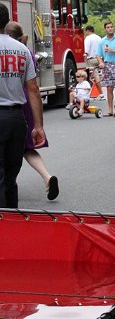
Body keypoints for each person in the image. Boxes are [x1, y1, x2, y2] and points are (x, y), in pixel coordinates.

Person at [5, 21, 59, 200]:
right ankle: (47, 177)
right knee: (25, 146)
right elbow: (33, 86)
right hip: (27, 102)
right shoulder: (26, 51)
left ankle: (7, 186)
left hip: (11, 101)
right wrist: (39, 125)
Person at [0, 4, 46, 208]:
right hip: (17, 119)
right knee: (11, 177)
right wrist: (38, 126)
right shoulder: (22, 50)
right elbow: (33, 89)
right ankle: (12, 218)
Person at [96, 20, 115, 116]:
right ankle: (110, 109)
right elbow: (98, 54)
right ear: (105, 29)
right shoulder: (102, 41)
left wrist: (113, 50)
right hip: (107, 65)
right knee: (109, 88)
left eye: (111, 27)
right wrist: (101, 62)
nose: (110, 29)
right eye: (108, 27)